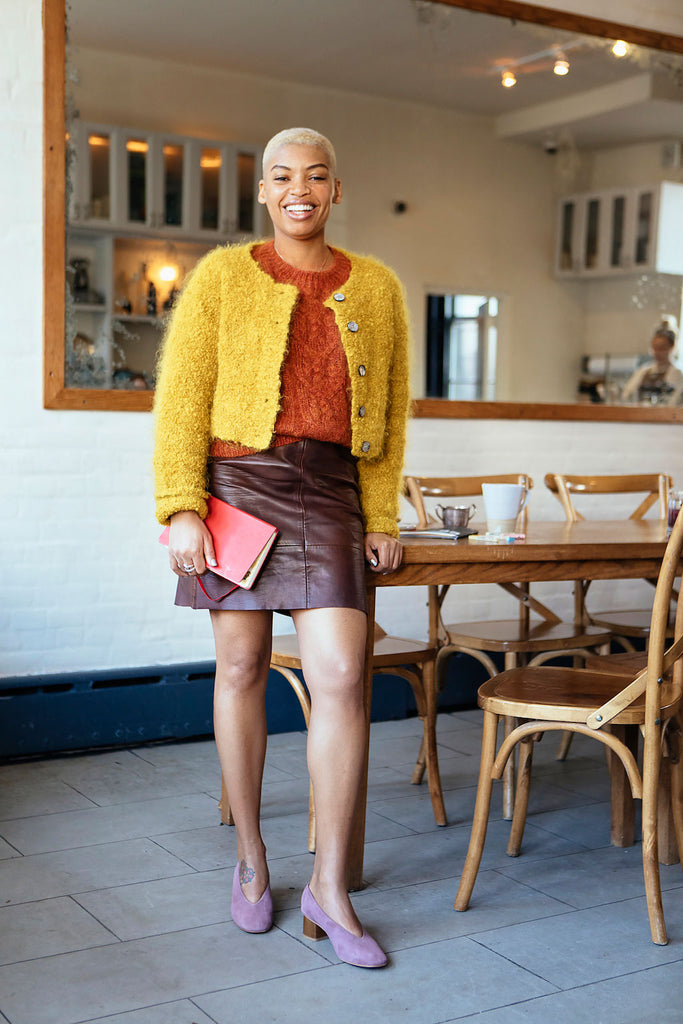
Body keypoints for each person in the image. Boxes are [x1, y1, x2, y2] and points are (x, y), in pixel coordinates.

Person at [153, 127, 410, 968]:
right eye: (282, 177)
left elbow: (389, 423)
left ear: (337, 189)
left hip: (330, 489)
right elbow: (181, 399)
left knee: (340, 673)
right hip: (238, 487)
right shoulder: (223, 276)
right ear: (263, 191)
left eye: (317, 175)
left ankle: (330, 889)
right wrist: (179, 506)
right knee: (242, 669)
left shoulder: (376, 289)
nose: (300, 188)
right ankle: (253, 858)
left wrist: (379, 517)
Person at [621, 322, 683, 405]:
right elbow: (627, 395)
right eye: (655, 348)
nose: (657, 352)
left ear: (672, 347)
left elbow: (674, 402)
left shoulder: (677, 374)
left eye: (661, 348)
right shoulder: (643, 372)